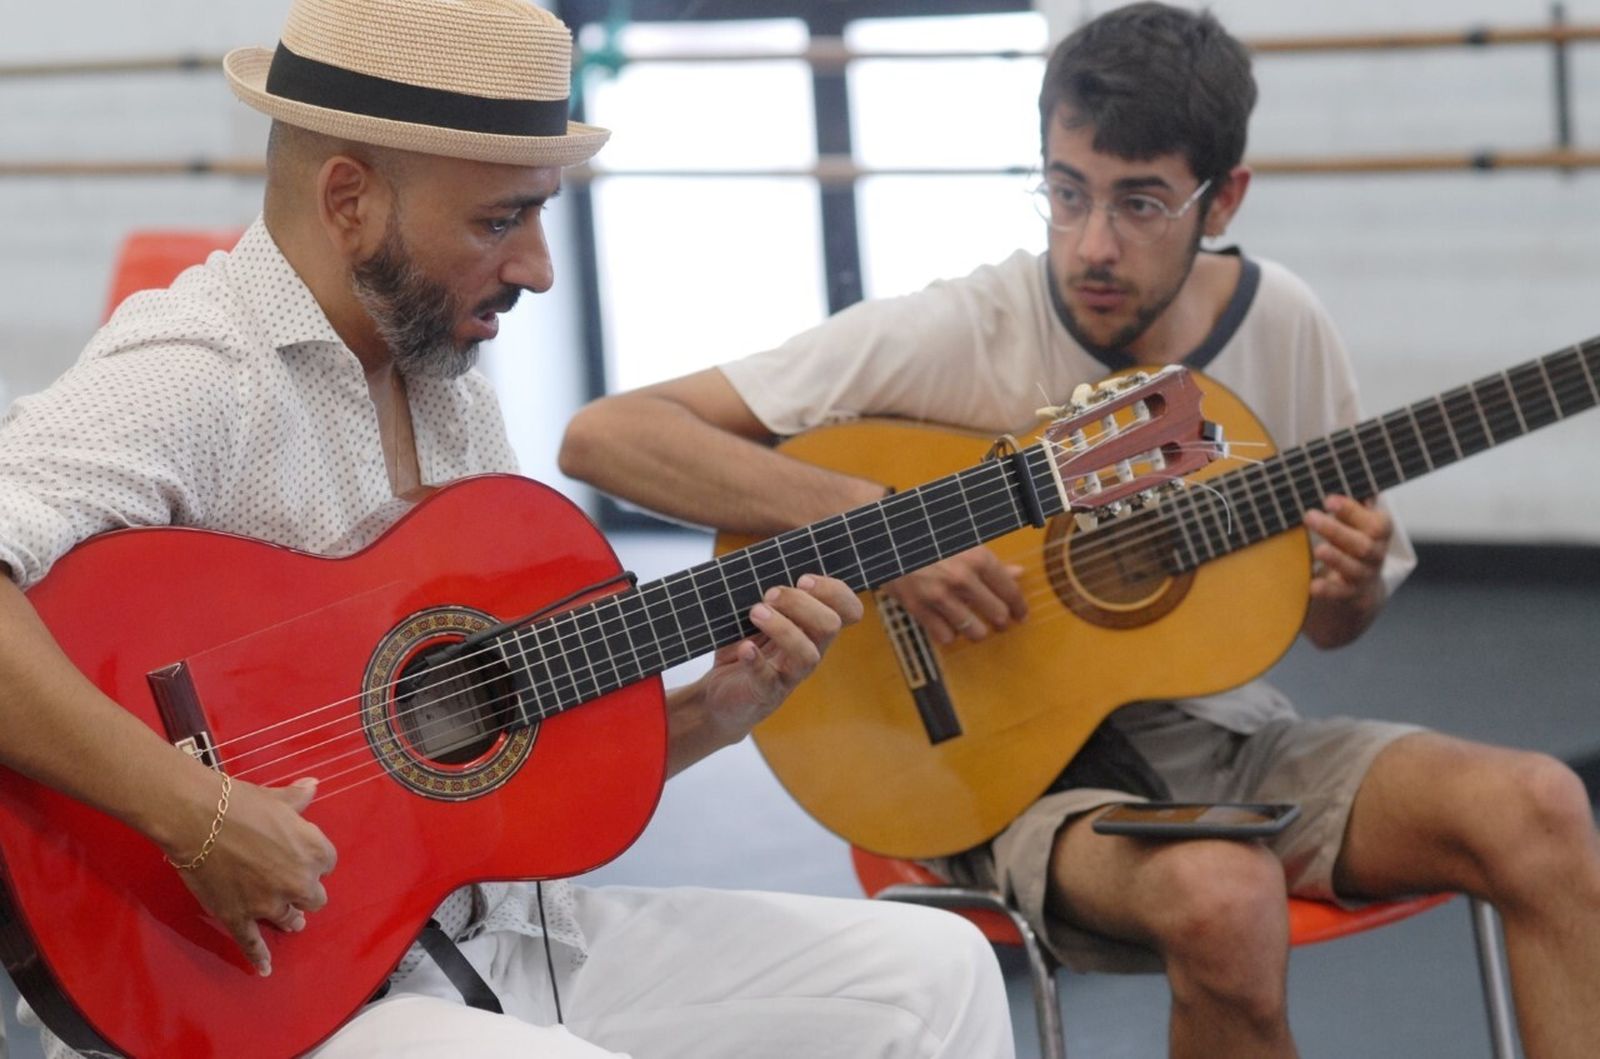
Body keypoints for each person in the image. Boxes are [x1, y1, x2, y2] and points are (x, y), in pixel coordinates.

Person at [559, 3, 1600, 1056]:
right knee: (1223, 899)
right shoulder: (960, 328)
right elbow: (609, 437)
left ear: (1221, 197)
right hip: (987, 776)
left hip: (1223, 739)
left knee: (1540, 808)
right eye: (1066, 193)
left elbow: (1331, 626)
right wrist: (884, 527)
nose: (1091, 244)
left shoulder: (1282, 323)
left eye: (1139, 203)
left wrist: (1350, 588)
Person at [0, 1, 1017, 1057]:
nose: (538, 268)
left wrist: (715, 708)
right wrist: (194, 814)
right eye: (499, 221)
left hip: (476, 942)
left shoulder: (451, 394)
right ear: (348, 198)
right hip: (245, 986)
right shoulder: (192, 372)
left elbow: (481, 775)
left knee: (933, 975)